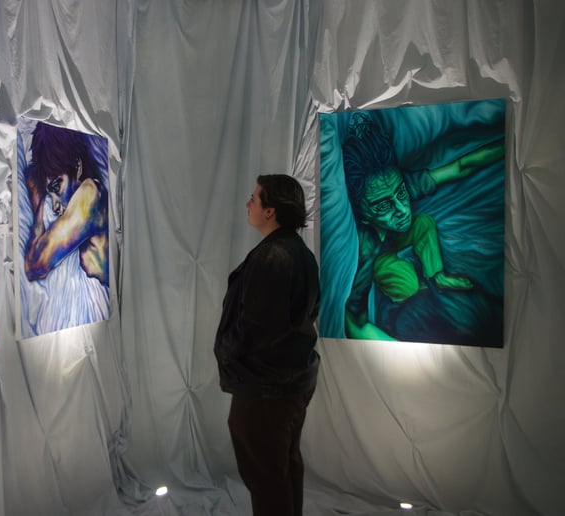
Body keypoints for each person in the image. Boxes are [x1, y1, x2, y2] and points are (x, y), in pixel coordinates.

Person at [341, 114, 504, 340]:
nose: (402, 209)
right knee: (407, 283)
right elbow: (354, 321)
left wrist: (509, 144)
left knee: (423, 222)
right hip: (380, 254)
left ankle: (438, 276)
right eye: (384, 206)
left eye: (401, 194)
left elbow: (461, 167)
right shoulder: (365, 249)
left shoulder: (403, 185)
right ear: (364, 215)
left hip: (392, 237)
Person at [214, 174, 321, 516]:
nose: (248, 204)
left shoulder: (273, 257)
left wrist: (226, 351)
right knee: (283, 467)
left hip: (266, 389)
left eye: (254, 198)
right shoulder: (300, 254)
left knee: (266, 476)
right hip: (291, 382)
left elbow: (256, 328)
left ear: (270, 210)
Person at [23, 124, 108, 285]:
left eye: (57, 187)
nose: (54, 206)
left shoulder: (89, 195)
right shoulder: (89, 201)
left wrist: (38, 205)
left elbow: (34, 266)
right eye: (49, 194)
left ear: (77, 167)